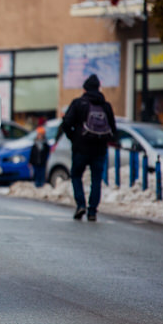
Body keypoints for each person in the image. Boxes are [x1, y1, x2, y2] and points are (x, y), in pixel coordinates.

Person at [60, 74, 117, 221]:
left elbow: (66, 123)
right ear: (98, 88)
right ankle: (92, 211)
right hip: (99, 149)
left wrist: (74, 138)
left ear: (84, 89)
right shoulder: (106, 106)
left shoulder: (79, 104)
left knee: (76, 176)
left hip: (81, 148)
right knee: (96, 180)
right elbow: (113, 129)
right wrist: (105, 140)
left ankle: (81, 205)